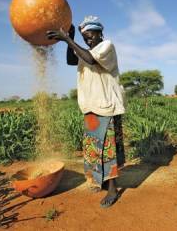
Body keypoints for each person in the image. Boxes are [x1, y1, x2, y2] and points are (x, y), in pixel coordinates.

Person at [47, 16, 125, 208]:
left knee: (108, 150)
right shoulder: (86, 51)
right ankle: (102, 180)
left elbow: (90, 59)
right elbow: (71, 60)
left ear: (99, 33)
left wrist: (67, 39)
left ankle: (113, 189)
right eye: (85, 38)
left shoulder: (107, 46)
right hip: (91, 106)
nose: (88, 40)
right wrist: (71, 36)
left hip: (106, 106)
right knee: (95, 148)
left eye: (90, 36)